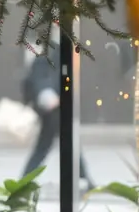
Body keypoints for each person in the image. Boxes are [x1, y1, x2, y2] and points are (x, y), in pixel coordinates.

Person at [22, 43, 94, 188]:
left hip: (54, 107)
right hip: (53, 108)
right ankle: (86, 179)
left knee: (51, 145)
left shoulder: (54, 53)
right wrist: (48, 96)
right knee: (59, 145)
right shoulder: (53, 53)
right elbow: (42, 77)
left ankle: (24, 179)